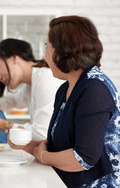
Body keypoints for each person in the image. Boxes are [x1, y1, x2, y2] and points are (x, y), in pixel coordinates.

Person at [10, 15, 120, 187]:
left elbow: (83, 158)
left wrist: (42, 156)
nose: (44, 57)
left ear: (62, 52)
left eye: (47, 47)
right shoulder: (65, 89)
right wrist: (24, 145)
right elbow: (57, 148)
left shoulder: (94, 90)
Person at [0, 38, 63, 140]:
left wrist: (3, 125)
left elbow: (42, 134)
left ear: (14, 58)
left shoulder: (44, 78)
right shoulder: (33, 81)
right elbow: (12, 100)